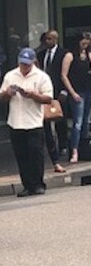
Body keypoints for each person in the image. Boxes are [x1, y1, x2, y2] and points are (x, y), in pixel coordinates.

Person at [0, 48, 53, 197]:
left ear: (33, 62)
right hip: (16, 121)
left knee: (35, 155)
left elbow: (48, 98)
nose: (25, 67)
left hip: (33, 121)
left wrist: (33, 95)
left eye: (27, 65)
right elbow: (0, 96)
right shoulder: (10, 76)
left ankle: (38, 184)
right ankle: (27, 185)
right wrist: (7, 93)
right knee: (21, 155)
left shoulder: (42, 77)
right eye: (22, 64)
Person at [36, 30, 67, 173]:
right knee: (47, 126)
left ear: (55, 39)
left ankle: (63, 145)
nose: (47, 42)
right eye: (46, 39)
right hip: (43, 94)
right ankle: (52, 156)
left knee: (60, 119)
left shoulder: (63, 53)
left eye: (50, 39)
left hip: (57, 91)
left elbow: (66, 73)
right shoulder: (41, 55)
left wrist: (63, 91)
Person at [61, 32, 91, 164]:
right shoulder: (70, 55)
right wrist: (72, 92)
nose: (85, 43)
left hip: (88, 90)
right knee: (77, 123)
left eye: (87, 41)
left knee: (86, 122)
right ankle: (74, 150)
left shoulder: (89, 55)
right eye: (83, 40)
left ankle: (84, 149)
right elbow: (64, 75)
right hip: (77, 92)